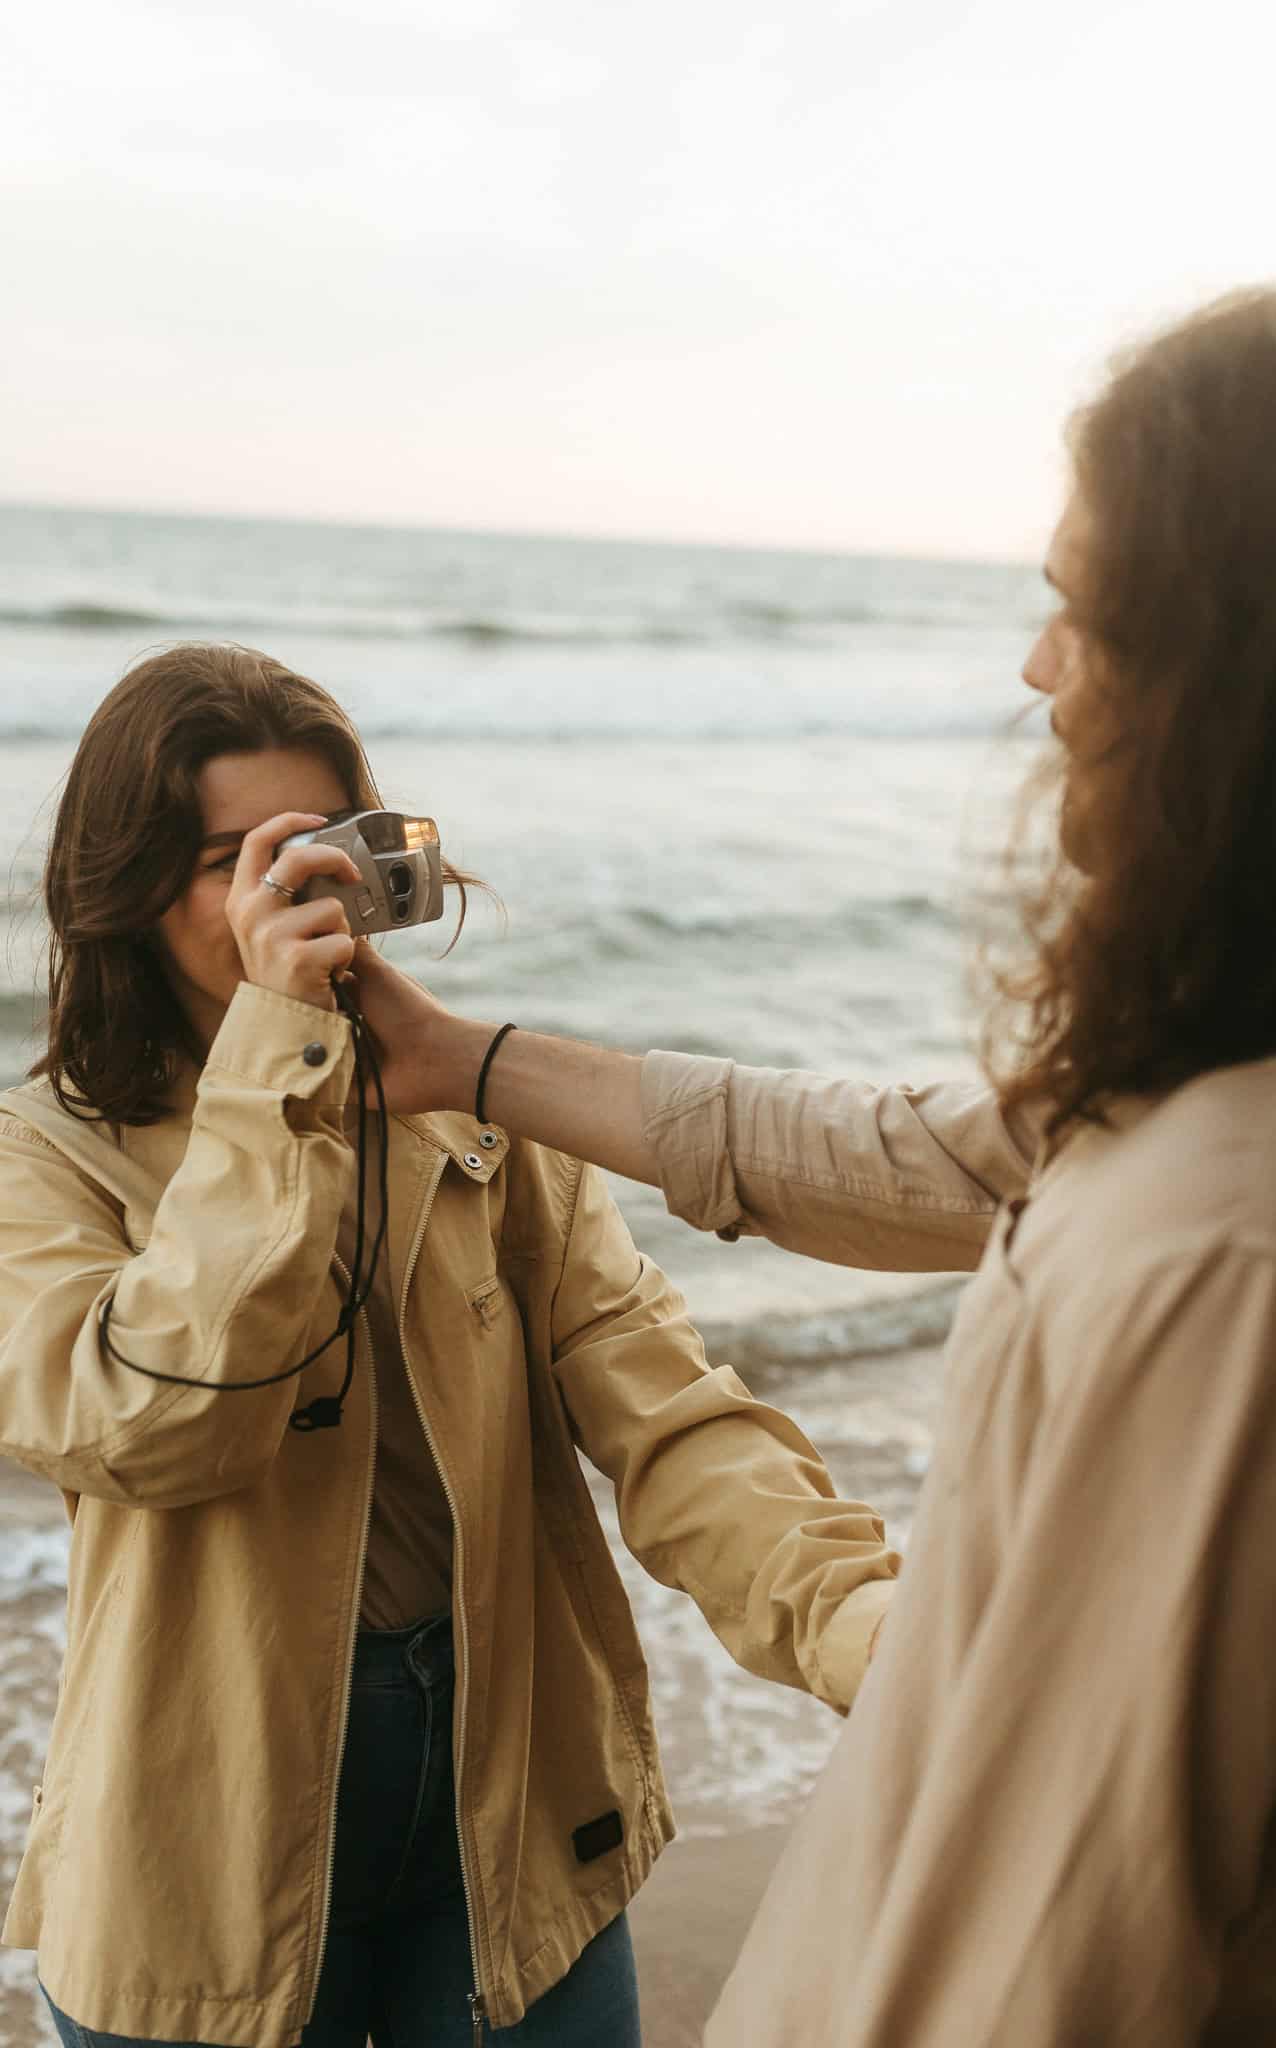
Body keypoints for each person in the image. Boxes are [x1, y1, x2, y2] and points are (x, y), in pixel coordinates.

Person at [343, 283, 1276, 2046]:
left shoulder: (1233, 1249)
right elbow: (890, 1155)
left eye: (1078, 609)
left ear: (1244, 674)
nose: (1037, 675)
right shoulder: (1239, 1090)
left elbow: (1055, 1941)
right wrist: (464, 1061)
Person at [0, 644, 901, 2048]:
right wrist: (267, 1077)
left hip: (511, 1799)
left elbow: (668, 1414)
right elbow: (142, 1425)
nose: (295, 893)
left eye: (320, 847)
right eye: (233, 860)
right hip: (198, 1840)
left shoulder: (476, 1109)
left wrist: (868, 1630)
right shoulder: (41, 1154)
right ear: (124, 889)